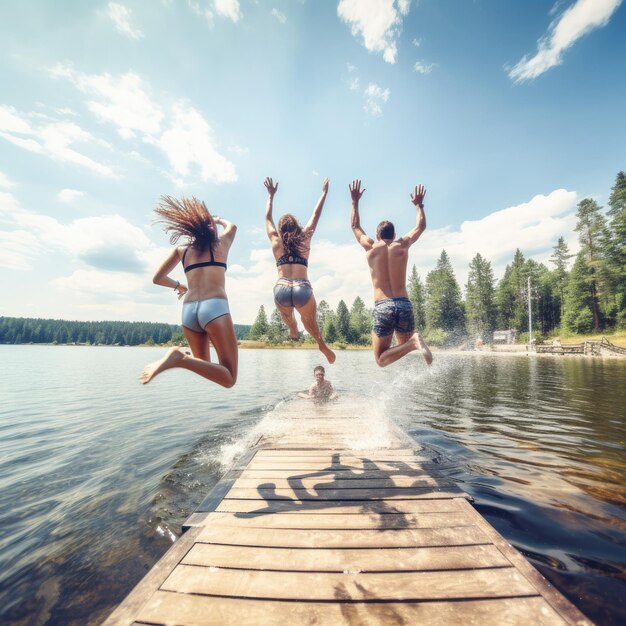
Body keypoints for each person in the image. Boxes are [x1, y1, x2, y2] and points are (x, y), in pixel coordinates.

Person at [140, 196, 238, 387]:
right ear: (211, 228)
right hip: (214, 307)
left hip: (189, 311)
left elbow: (158, 278)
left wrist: (179, 286)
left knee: (204, 366)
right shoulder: (220, 244)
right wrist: (216, 219)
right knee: (229, 378)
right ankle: (179, 358)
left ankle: (181, 359)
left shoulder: (182, 250)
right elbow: (232, 226)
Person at [349, 179, 433, 368]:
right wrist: (419, 205)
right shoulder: (402, 244)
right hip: (404, 304)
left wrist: (355, 201)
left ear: (377, 235)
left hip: (383, 305)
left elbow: (355, 226)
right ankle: (413, 342)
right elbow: (420, 227)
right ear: (394, 235)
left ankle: (414, 341)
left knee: (381, 360)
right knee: (402, 348)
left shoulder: (371, 246)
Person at [264, 176, 336, 364]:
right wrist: (324, 193)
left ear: (280, 229)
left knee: (288, 316)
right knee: (310, 320)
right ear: (296, 227)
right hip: (302, 286)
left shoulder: (275, 240)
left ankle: (292, 328)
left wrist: (270, 196)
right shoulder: (304, 239)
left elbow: (267, 218)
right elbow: (315, 216)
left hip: (282, 286)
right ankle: (320, 342)